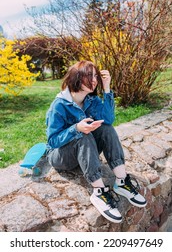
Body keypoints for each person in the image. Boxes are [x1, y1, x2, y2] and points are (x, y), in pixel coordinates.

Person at [46, 60, 147, 223]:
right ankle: (99, 192)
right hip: (61, 157)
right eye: (89, 75)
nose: (94, 80)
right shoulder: (59, 105)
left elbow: (108, 119)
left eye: (95, 76)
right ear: (76, 78)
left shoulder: (91, 100)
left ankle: (121, 182)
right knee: (82, 133)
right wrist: (76, 128)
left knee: (107, 129)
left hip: (83, 153)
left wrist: (107, 89)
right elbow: (52, 141)